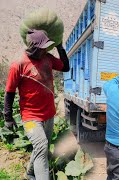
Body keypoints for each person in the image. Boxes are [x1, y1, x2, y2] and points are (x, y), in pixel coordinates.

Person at [4, 29, 70, 180]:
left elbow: (65, 67)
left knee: (41, 147)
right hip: (30, 118)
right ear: (33, 47)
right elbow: (9, 92)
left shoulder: (47, 58)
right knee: (41, 147)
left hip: (49, 114)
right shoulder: (18, 64)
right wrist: (7, 117)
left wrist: (60, 48)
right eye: (43, 47)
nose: (46, 49)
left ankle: (30, 173)